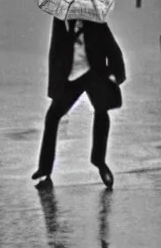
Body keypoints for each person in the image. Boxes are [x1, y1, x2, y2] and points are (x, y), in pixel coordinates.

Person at [32, 18, 126, 188]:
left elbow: (113, 50)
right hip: (71, 77)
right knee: (52, 117)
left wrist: (114, 75)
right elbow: (55, 53)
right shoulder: (61, 21)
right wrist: (55, 87)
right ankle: (45, 171)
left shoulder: (97, 23)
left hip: (94, 74)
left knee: (101, 112)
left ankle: (99, 162)